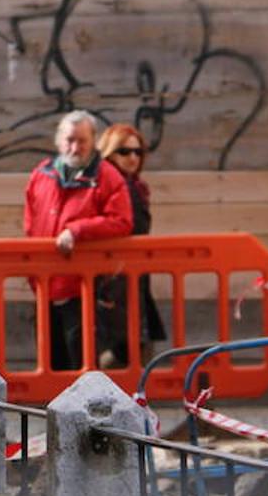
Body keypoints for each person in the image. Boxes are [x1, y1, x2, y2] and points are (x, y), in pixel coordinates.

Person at [23, 110, 133, 370]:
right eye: (69, 140)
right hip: (45, 286)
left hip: (82, 289)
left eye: (82, 141)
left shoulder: (107, 176)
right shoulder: (41, 174)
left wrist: (77, 230)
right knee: (50, 367)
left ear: (93, 141)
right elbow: (30, 223)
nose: (75, 147)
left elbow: (122, 221)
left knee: (82, 369)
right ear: (58, 141)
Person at [95, 123, 167, 367]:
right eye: (124, 151)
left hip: (132, 278)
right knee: (123, 351)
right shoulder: (113, 186)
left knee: (134, 348)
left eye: (138, 152)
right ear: (109, 153)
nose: (133, 157)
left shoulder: (135, 186)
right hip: (113, 280)